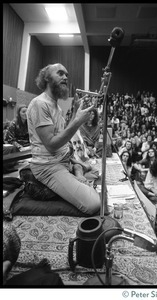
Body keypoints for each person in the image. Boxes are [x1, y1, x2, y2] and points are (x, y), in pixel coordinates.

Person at [26, 63, 101, 215]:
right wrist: (78, 121)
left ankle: (76, 172)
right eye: (60, 73)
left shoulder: (56, 106)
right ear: (47, 78)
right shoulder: (40, 104)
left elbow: (63, 133)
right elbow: (52, 145)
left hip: (63, 161)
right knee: (94, 204)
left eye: (66, 74)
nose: (65, 77)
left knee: (95, 172)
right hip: (49, 167)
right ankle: (75, 175)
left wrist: (75, 111)